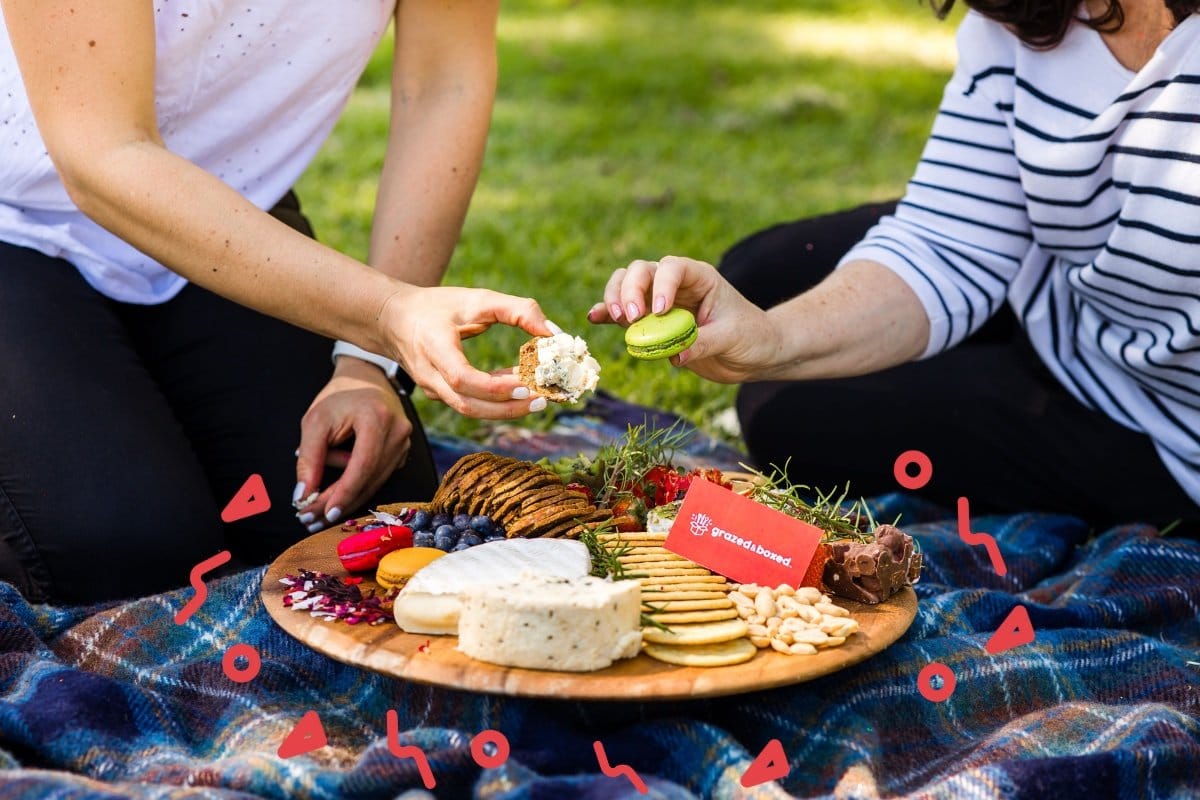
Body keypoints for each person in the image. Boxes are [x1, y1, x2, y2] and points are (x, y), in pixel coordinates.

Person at [0, 0, 556, 604]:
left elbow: (444, 80)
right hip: (18, 216)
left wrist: (368, 365)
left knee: (362, 521)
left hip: (230, 215)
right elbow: (100, 154)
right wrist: (385, 315)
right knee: (121, 551)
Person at [591, 0, 1200, 531]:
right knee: (756, 277)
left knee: (786, 415)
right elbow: (946, 242)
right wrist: (773, 337)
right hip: (1068, 289)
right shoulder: (1030, 13)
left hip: (1165, 427)